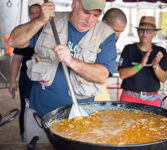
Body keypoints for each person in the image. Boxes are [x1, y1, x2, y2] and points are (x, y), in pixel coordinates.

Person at [8, 0, 117, 143]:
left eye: (96, 15)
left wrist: (71, 61)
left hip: (78, 119)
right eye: (86, 12)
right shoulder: (49, 22)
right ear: (74, 4)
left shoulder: (106, 34)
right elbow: (13, 41)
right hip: (39, 114)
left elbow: (102, 76)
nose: (89, 20)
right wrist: (40, 20)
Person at [118, 16, 167, 107]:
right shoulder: (128, 49)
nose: (144, 33)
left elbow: (163, 79)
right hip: (129, 97)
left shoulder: (160, 51)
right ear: (137, 32)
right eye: (141, 30)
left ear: (154, 33)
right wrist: (141, 64)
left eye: (149, 31)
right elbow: (122, 75)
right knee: (126, 121)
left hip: (152, 99)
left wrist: (155, 65)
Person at [8, 3, 41, 143]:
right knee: (27, 108)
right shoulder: (24, 33)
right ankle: (24, 136)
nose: (34, 15)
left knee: (43, 108)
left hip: (45, 79)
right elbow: (16, 59)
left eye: (37, 12)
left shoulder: (49, 32)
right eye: (32, 13)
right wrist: (12, 81)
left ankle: (44, 137)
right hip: (27, 79)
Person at [95, 8, 127, 101]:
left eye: (120, 32)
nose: (118, 35)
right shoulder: (88, 37)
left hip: (99, 92)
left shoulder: (110, 45)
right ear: (104, 23)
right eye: (115, 30)